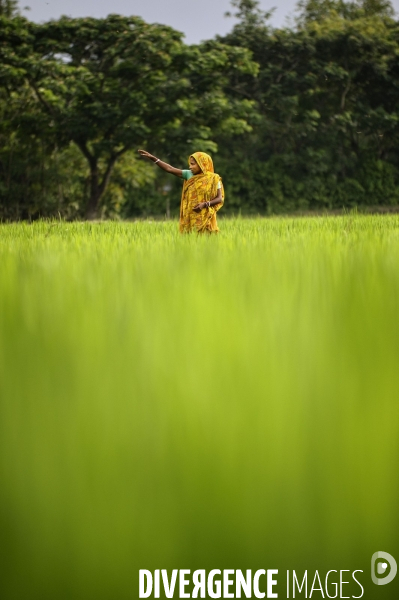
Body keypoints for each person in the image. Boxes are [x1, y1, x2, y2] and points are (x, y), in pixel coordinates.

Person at [138, 150, 224, 233]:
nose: (190, 167)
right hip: (190, 215)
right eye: (189, 164)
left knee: (207, 239)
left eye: (192, 164)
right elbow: (169, 169)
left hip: (206, 216)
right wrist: (154, 159)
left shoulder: (214, 179)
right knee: (191, 239)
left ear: (202, 164)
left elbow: (219, 198)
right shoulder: (188, 174)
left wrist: (205, 204)